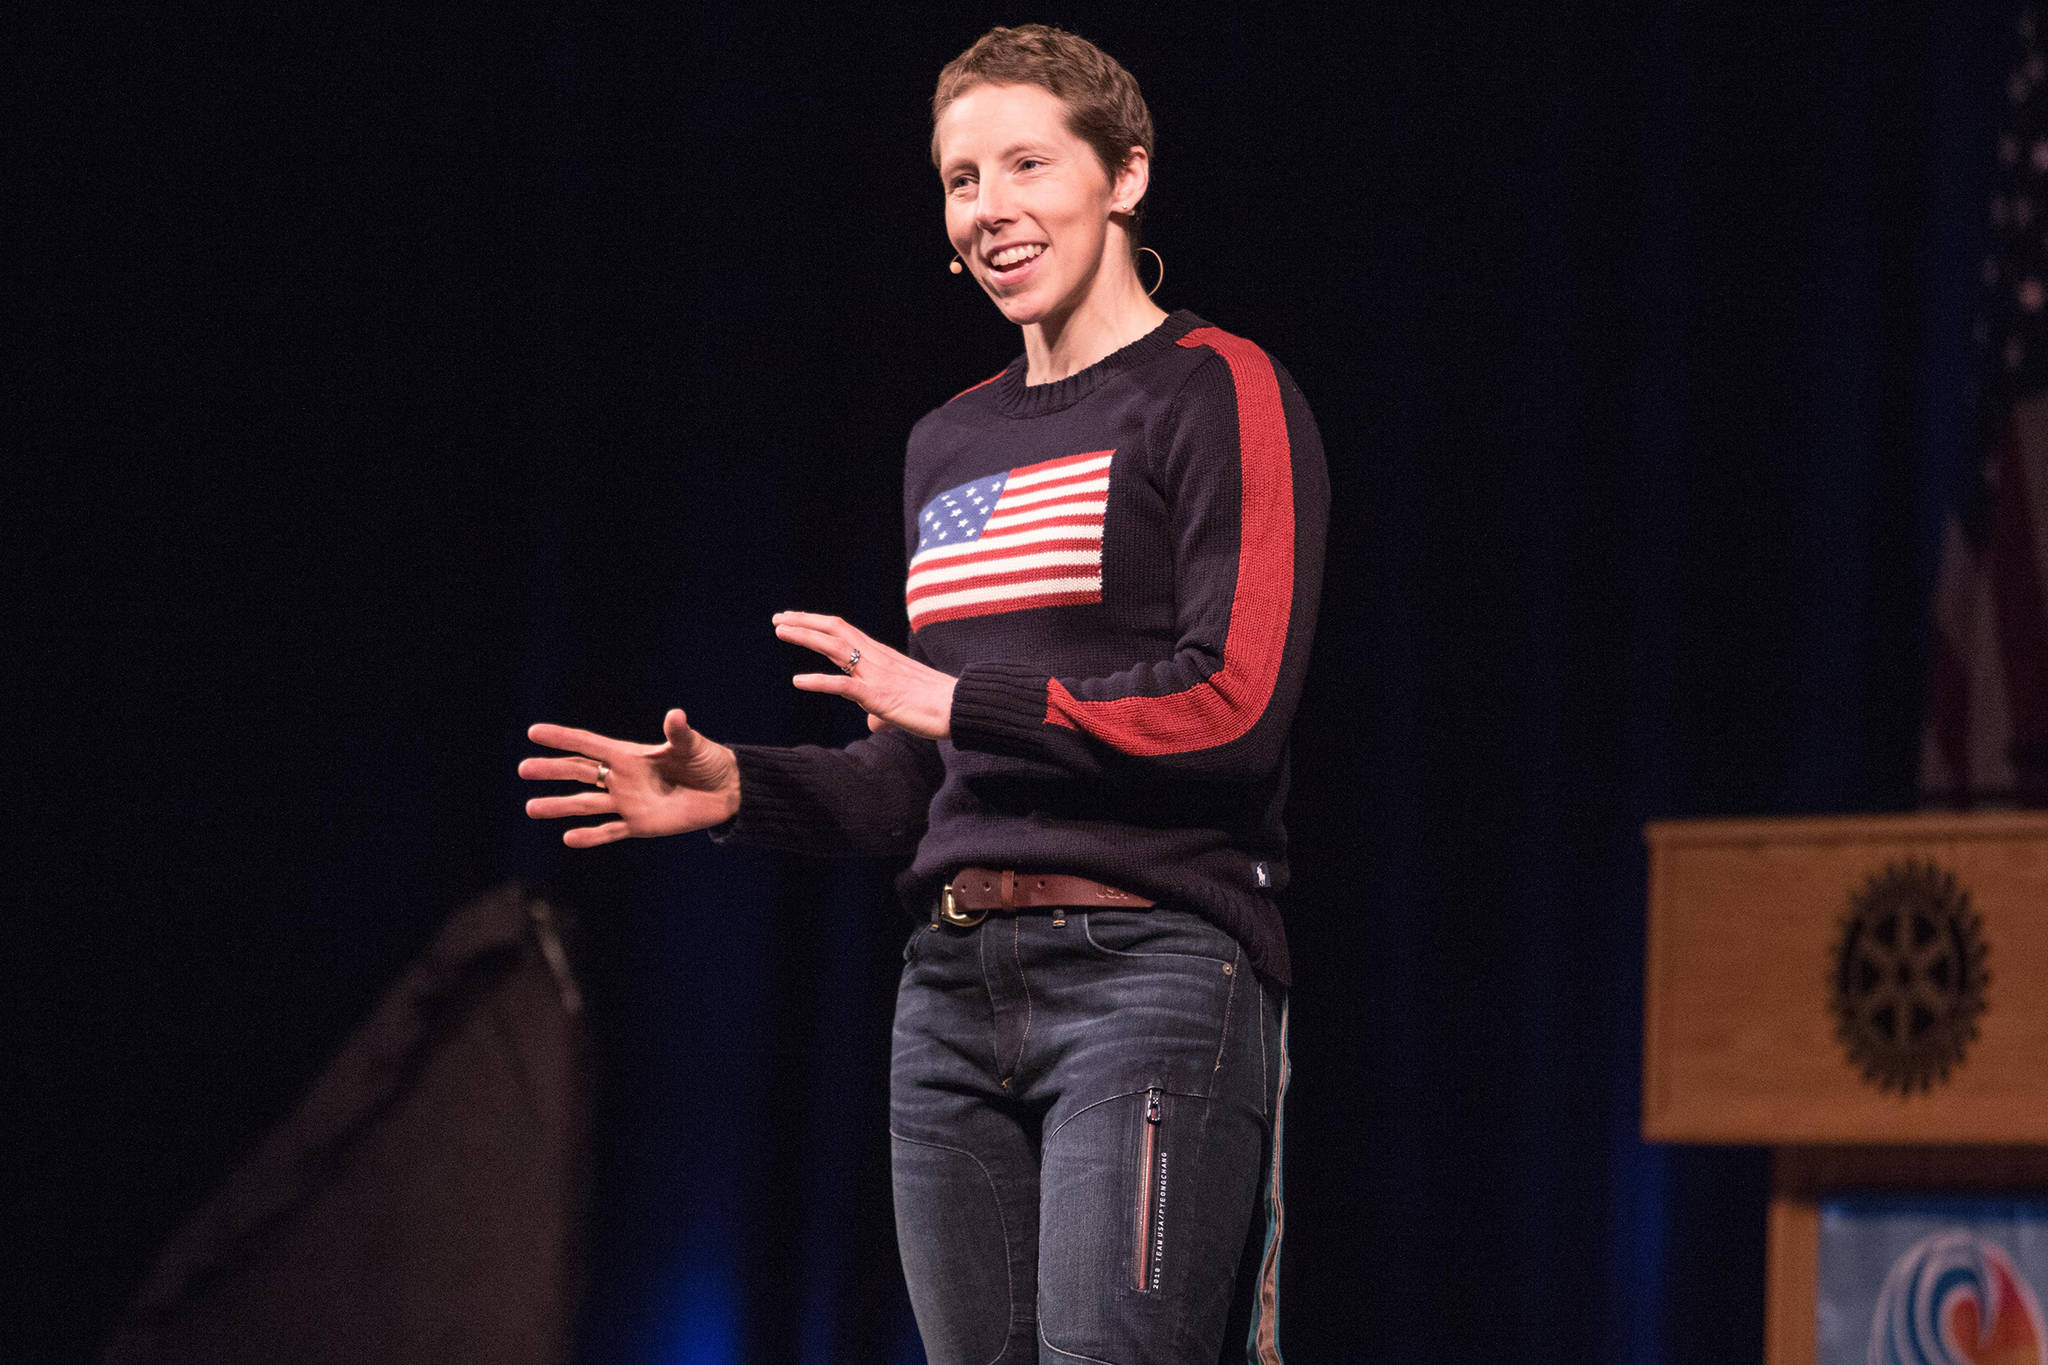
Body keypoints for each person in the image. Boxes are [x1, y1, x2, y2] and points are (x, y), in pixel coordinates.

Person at [520, 24, 1326, 1364]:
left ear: (1124, 173)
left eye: (1026, 163)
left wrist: (965, 706)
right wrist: (746, 786)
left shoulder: (1214, 388)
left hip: (1150, 971)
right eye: (960, 179)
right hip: (950, 988)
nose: (990, 209)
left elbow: (1231, 707)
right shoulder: (944, 443)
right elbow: (919, 778)